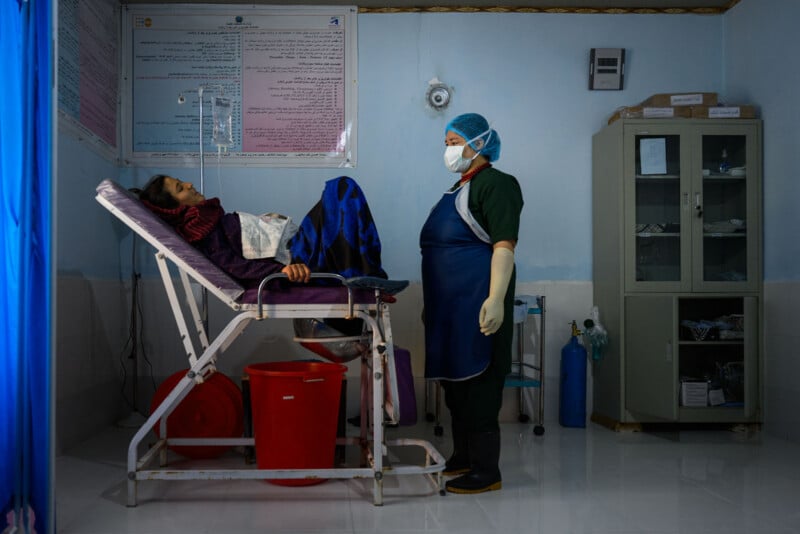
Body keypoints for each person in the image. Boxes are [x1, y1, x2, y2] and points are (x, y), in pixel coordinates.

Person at [420, 113, 523, 494]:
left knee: (479, 386)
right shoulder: (455, 190)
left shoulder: (496, 185)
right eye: (446, 143)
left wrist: (495, 299)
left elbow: (504, 246)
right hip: (447, 313)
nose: (448, 150)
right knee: (456, 386)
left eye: (453, 142)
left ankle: (486, 470)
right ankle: (462, 456)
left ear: (478, 144)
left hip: (476, 309)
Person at [134, 175, 387, 289]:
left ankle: (363, 275)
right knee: (341, 188)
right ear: (176, 209)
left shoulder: (207, 221)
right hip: (300, 257)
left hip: (300, 245)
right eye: (180, 188)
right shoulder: (202, 233)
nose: (189, 184)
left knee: (339, 192)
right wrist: (280, 271)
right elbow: (234, 267)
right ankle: (364, 277)